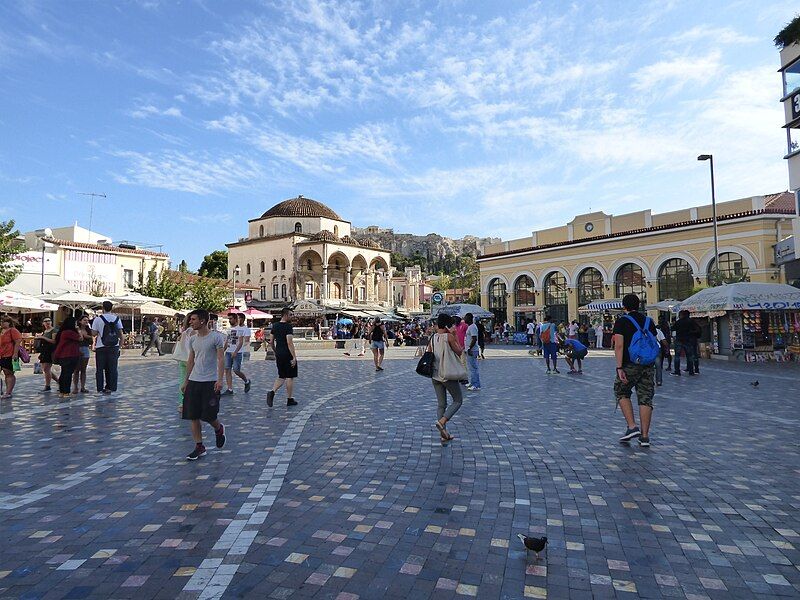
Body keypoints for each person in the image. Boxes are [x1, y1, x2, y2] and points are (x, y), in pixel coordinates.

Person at [613, 294, 658, 447]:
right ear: (639, 305)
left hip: (629, 365)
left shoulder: (622, 322)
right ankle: (645, 437)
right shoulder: (649, 321)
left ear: (624, 306)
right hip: (647, 365)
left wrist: (619, 367)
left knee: (621, 391)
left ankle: (632, 426)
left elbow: (619, 345)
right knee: (646, 397)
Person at [180, 309, 226, 460]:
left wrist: (220, 380)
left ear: (203, 321)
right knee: (193, 415)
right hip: (194, 380)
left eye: (193, 319)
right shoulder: (193, 339)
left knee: (208, 415)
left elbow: (220, 359)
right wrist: (186, 381)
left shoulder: (216, 338)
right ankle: (199, 446)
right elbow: (191, 361)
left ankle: (219, 429)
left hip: (210, 380)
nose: (190, 322)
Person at [430, 313, 464, 443]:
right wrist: (455, 335)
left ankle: (443, 434)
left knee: (441, 404)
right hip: (448, 374)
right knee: (458, 400)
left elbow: (429, 353)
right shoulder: (448, 337)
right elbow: (459, 351)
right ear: (447, 324)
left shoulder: (433, 337)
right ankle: (442, 421)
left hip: (435, 374)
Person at [267, 307, 298, 407]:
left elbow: (271, 342)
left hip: (279, 353)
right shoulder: (288, 327)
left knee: (281, 376)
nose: (292, 317)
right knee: (289, 377)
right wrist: (294, 357)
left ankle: (272, 392)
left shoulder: (275, 326)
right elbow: (289, 342)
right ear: (285, 315)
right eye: (290, 315)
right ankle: (289, 399)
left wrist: (275, 350)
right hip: (287, 353)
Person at [91, 301, 123, 394]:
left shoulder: (98, 319)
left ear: (102, 308)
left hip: (101, 346)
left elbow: (94, 333)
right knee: (112, 368)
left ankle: (100, 388)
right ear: (111, 308)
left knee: (100, 369)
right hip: (114, 347)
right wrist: (119, 347)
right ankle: (111, 387)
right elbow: (121, 335)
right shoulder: (117, 318)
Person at [223, 313, 251, 395]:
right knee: (227, 369)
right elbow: (227, 341)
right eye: (229, 319)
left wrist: (235, 352)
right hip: (228, 351)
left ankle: (246, 381)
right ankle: (230, 389)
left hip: (237, 352)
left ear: (235, 319)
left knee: (236, 370)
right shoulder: (229, 329)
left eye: (231, 318)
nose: (229, 320)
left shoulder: (241, 329)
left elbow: (241, 342)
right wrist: (223, 351)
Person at [53, 316, 81, 398]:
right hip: (71, 355)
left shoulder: (63, 332)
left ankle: (62, 391)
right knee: (68, 374)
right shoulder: (69, 332)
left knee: (64, 373)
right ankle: (66, 391)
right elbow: (80, 338)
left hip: (63, 355)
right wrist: (78, 330)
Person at [671, 310, 700, 376]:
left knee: (677, 356)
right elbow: (697, 329)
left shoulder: (678, 322)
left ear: (682, 315)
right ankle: (691, 372)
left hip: (679, 340)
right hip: (688, 340)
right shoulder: (691, 321)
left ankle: (677, 371)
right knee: (689, 356)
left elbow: (672, 328)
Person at [0, 317, 22, 399]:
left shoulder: (13, 330)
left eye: (3, 322)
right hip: (1, 355)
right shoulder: (1, 331)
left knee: (9, 373)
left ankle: (8, 392)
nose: (2, 323)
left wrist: (15, 353)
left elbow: (18, 341)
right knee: (5, 373)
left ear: (9, 323)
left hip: (10, 354)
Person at [34, 317, 58, 391]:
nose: (47, 322)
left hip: (50, 351)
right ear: (43, 323)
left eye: (49, 321)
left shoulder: (54, 330)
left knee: (46, 369)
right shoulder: (45, 331)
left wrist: (43, 338)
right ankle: (59, 381)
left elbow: (54, 341)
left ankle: (47, 386)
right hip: (44, 351)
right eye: (45, 321)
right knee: (46, 369)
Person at [71, 314, 93, 393]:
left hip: (85, 349)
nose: (86, 322)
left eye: (87, 320)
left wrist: (86, 336)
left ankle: (83, 387)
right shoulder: (76, 329)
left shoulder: (88, 330)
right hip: (77, 349)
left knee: (83, 369)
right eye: (84, 320)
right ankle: (75, 387)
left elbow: (91, 341)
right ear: (80, 321)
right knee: (76, 370)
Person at [464, 313, 481, 391]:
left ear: (469, 318)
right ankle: (472, 382)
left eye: (465, 318)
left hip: (472, 350)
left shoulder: (473, 327)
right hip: (469, 349)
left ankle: (476, 385)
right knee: (471, 368)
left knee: (474, 368)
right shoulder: (470, 327)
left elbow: (474, 339)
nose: (464, 319)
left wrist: (470, 348)